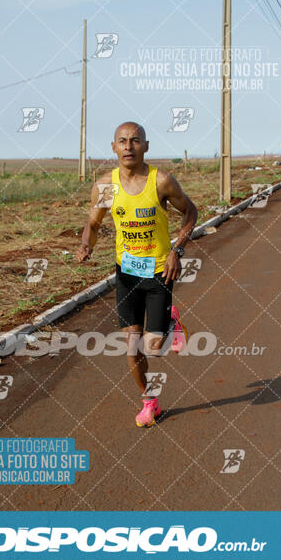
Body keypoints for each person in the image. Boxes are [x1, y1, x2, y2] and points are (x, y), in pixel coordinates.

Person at [76, 122, 198, 427]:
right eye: (122, 141)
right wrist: (85, 246)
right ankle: (149, 401)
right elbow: (92, 224)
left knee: (153, 348)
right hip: (127, 274)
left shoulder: (162, 182)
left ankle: (170, 318)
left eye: (135, 141)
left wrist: (177, 249)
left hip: (159, 271)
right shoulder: (106, 186)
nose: (129, 146)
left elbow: (191, 211)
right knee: (132, 347)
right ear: (114, 147)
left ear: (145, 146)